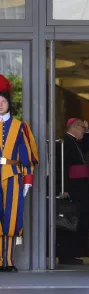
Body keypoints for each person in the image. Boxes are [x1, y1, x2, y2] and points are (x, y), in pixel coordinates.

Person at [0, 74, 38, 272]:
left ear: (9, 103)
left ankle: (7, 261)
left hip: (13, 176)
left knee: (11, 219)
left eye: (3, 101)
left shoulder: (20, 127)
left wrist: (28, 181)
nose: (0, 104)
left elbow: (29, 158)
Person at [56, 118, 89, 265]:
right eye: (82, 129)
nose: (83, 132)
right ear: (75, 127)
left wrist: (88, 131)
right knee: (68, 221)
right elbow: (60, 168)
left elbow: (87, 146)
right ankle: (66, 255)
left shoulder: (75, 142)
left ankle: (73, 253)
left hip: (80, 187)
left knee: (78, 220)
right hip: (71, 188)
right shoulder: (64, 142)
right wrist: (62, 188)